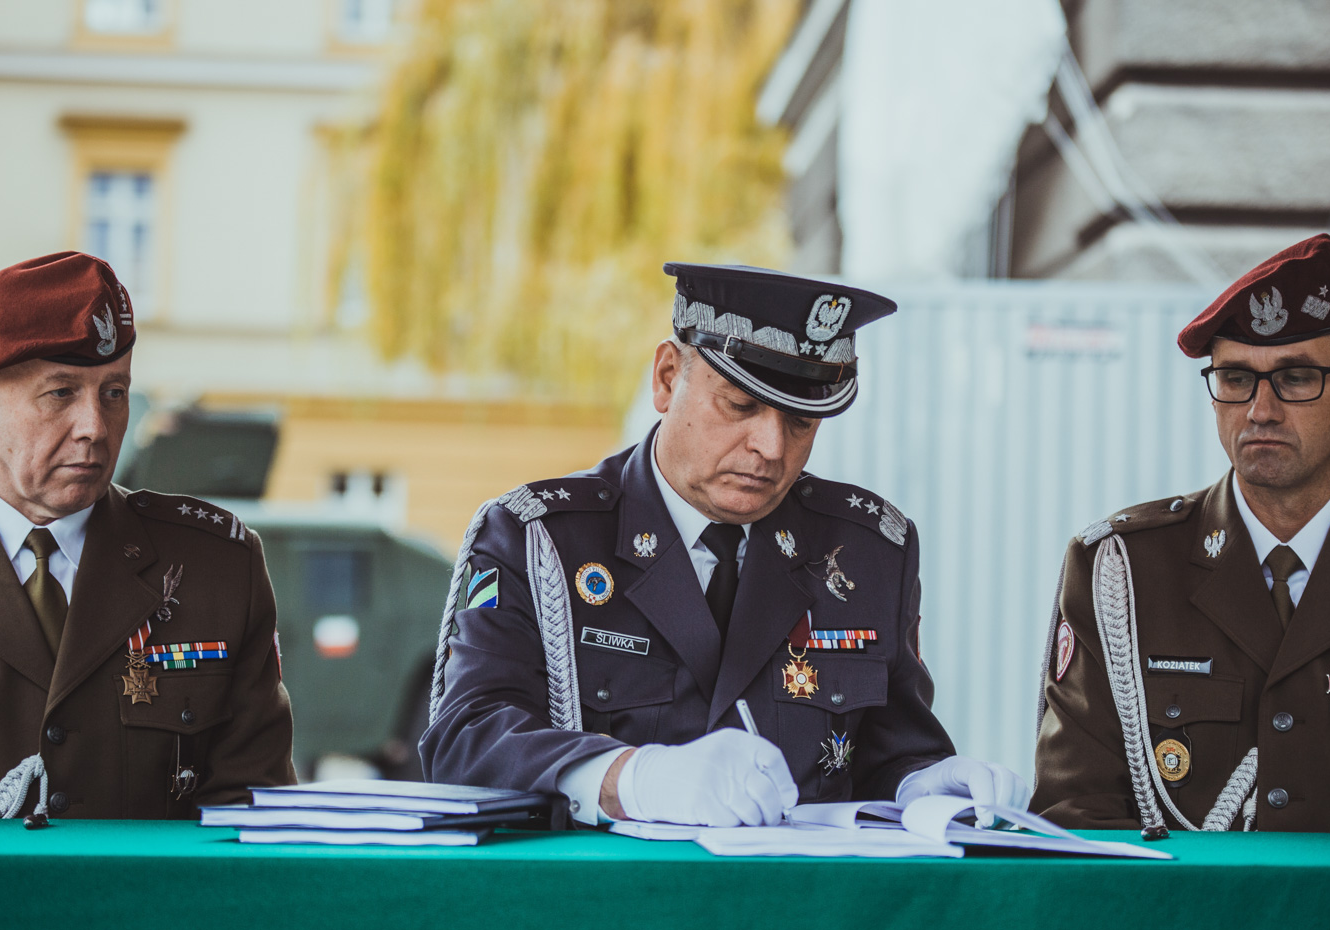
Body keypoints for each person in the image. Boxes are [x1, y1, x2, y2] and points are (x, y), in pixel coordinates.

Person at [422, 262, 1027, 827]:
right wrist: (628, 779)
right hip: (610, 913)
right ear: (666, 379)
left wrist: (923, 786)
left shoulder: (867, 552)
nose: (771, 447)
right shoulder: (541, 539)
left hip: (802, 917)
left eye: (801, 422)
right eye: (740, 405)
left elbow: (889, 753)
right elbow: (465, 738)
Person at [0, 251, 295, 836]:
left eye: (114, 393)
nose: (95, 426)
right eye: (61, 393)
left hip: (144, 923)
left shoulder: (216, 567)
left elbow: (251, 815)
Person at [1033, 234, 1330, 839]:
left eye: (1297, 377)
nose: (1260, 410)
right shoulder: (1123, 570)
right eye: (1235, 378)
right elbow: (1076, 818)